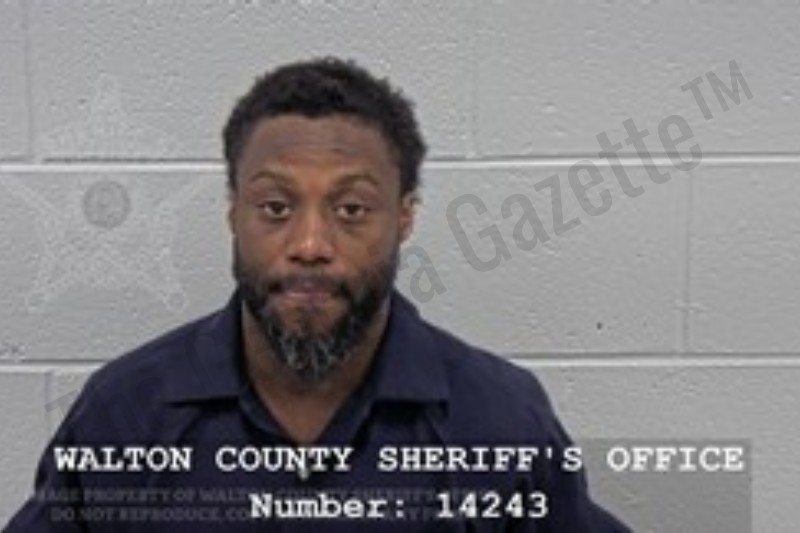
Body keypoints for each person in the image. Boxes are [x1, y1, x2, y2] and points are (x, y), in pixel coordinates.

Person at [5, 57, 631, 532]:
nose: (310, 244)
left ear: (404, 218)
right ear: (233, 213)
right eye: (275, 207)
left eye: (351, 208)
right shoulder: (126, 413)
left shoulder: (498, 421)